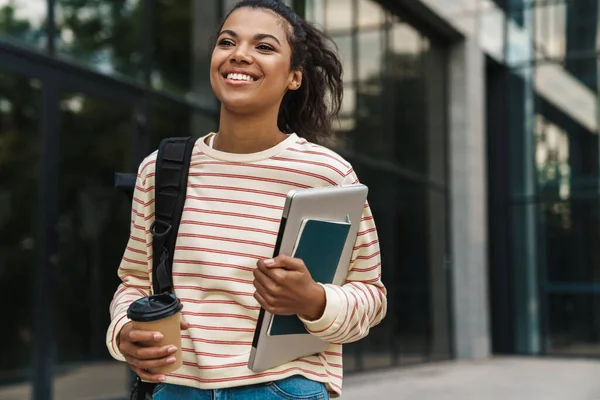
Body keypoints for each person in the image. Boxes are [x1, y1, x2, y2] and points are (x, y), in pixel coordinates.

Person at [106, 0, 387, 398]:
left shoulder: (327, 176)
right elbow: (135, 280)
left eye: (265, 47)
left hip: (280, 387)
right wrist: (124, 331)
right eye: (227, 42)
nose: (240, 54)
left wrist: (313, 299)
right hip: (176, 388)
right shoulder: (162, 169)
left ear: (293, 77)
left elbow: (370, 296)